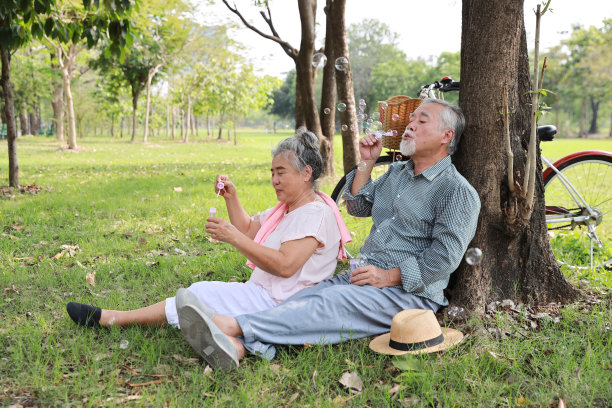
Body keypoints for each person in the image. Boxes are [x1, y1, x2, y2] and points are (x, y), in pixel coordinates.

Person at [178, 99, 481, 369]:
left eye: (421, 120)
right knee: (306, 298)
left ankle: (227, 326)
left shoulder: (456, 191)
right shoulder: (397, 174)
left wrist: (388, 277)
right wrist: (366, 161)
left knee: (327, 305)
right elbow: (359, 206)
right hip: (363, 276)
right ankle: (239, 347)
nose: (410, 125)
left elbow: (444, 258)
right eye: (411, 119)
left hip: (408, 295)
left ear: (446, 136)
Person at [65, 129, 351, 348]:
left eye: (281, 173)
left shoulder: (315, 213)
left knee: (196, 295)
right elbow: (251, 228)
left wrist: (233, 237)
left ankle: (113, 319)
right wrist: (232, 197)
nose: (274, 180)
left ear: (306, 173)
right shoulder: (289, 209)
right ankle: (236, 345)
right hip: (265, 296)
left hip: (279, 305)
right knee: (199, 298)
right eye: (272, 173)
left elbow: (286, 265)